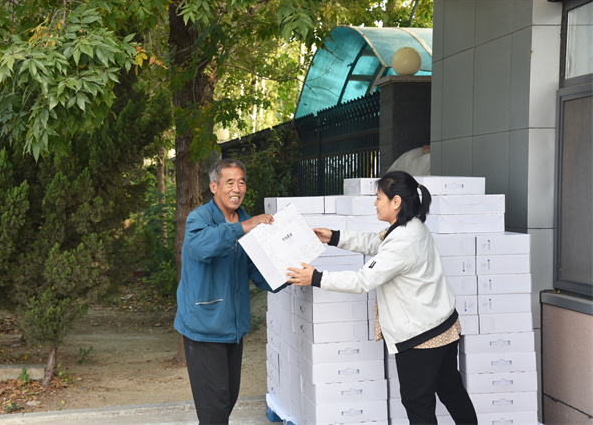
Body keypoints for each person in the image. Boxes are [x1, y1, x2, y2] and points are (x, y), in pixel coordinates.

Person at [287, 171, 477, 425]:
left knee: (418, 404)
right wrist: (334, 237)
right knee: (451, 390)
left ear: (396, 202)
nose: (375, 203)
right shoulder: (411, 227)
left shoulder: (402, 241)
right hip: (443, 326)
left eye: (378, 198)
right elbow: (377, 243)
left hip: (421, 338)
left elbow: (363, 281)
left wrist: (316, 277)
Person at [174, 158, 283, 424]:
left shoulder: (246, 220)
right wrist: (243, 228)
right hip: (204, 326)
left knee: (228, 398)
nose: (237, 188)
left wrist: (292, 273)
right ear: (214, 186)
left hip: (233, 328)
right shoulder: (200, 218)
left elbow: (258, 272)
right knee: (215, 408)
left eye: (242, 182)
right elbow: (201, 247)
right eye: (230, 182)